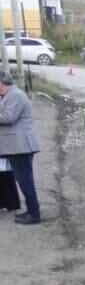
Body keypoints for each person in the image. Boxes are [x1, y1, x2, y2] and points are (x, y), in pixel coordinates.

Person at [0, 71, 41, 224]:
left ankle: (34, 214)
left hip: (21, 146)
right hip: (15, 147)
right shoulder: (8, 96)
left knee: (25, 181)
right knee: (23, 180)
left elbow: (9, 117)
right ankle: (31, 211)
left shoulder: (16, 95)